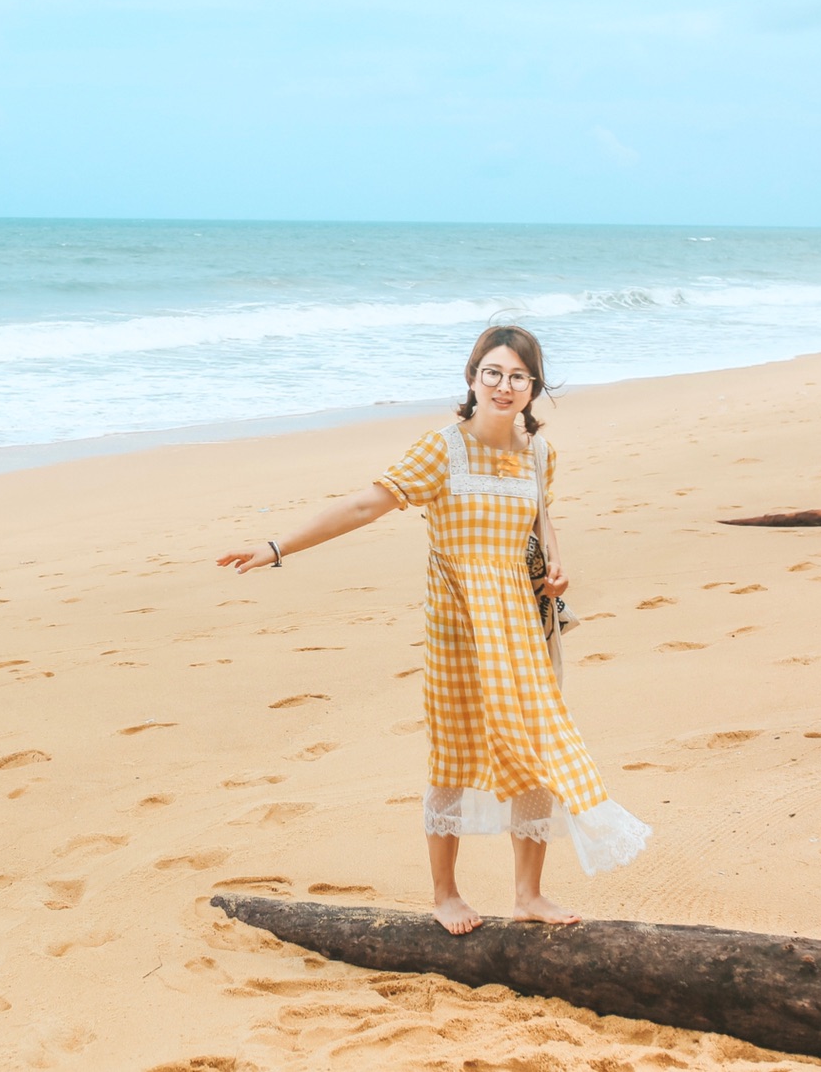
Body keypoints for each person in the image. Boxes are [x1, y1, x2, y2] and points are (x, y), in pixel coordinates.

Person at [216, 325, 649, 934]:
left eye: (518, 377)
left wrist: (556, 566)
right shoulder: (441, 451)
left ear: (533, 388)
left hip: (521, 627)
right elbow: (367, 505)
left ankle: (529, 894)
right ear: (472, 379)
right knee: (454, 751)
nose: (504, 386)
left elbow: (542, 523)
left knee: (535, 747)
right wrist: (276, 545)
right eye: (492, 373)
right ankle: (445, 894)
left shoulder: (540, 454)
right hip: (457, 627)